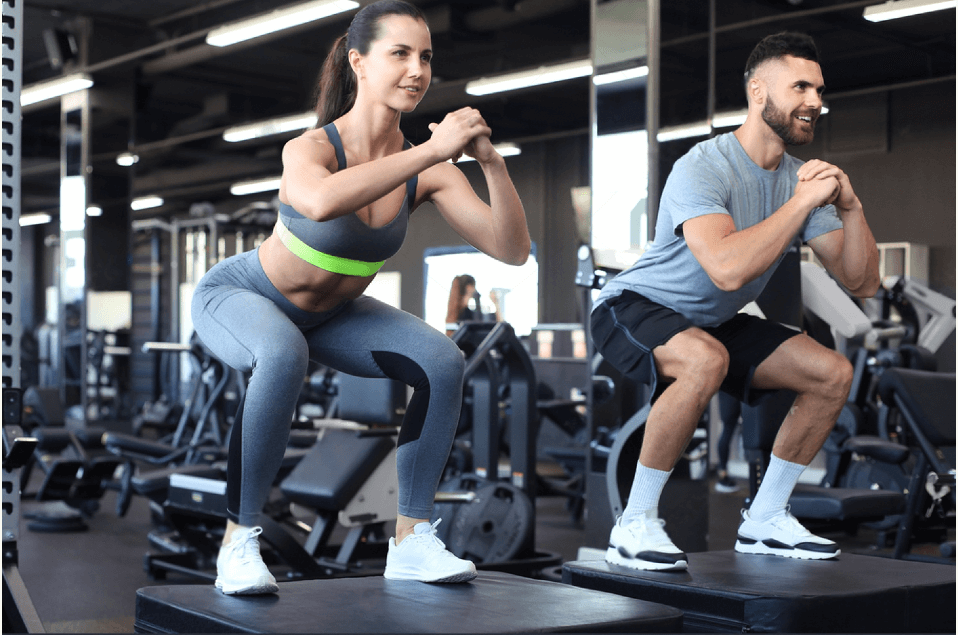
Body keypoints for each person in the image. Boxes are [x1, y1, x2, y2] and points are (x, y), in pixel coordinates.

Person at [191, 0, 530, 595]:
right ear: (359, 62)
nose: (416, 70)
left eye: (425, 56)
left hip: (333, 316)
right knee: (280, 353)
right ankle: (237, 543)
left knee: (442, 361)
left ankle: (411, 540)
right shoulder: (311, 149)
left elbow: (512, 250)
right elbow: (320, 202)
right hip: (245, 295)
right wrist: (430, 150)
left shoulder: (431, 171)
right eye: (399, 53)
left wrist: (491, 164)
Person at [590, 31, 879, 571]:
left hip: (712, 319)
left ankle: (766, 518)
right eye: (800, 87)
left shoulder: (798, 180)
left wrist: (853, 207)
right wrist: (801, 204)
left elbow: (861, 282)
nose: (815, 101)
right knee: (705, 359)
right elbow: (726, 269)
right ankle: (634, 525)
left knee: (832, 373)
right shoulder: (704, 166)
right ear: (758, 92)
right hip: (633, 306)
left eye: (818, 89)